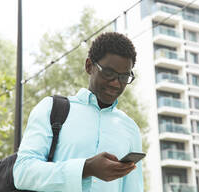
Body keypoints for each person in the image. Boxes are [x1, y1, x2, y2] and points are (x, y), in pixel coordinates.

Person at [13, 32, 144, 192]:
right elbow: (23, 172)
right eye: (108, 73)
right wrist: (86, 168)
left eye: (124, 77)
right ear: (89, 66)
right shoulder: (52, 109)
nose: (116, 84)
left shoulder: (130, 128)